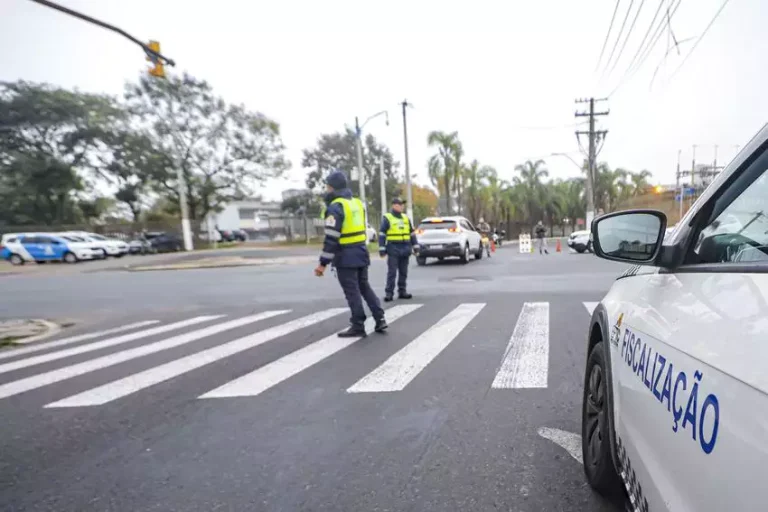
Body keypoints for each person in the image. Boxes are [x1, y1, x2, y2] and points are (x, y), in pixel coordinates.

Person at [314, 170, 387, 337]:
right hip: (361, 251)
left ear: (332, 187)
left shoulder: (336, 206)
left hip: (345, 256)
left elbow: (331, 238)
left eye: (327, 186)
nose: (326, 189)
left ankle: (358, 324)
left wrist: (323, 263)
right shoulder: (357, 203)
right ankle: (380, 318)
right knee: (364, 287)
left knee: (352, 292)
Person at [378, 197, 419, 301]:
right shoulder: (387, 218)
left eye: (402, 204)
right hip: (393, 248)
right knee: (392, 272)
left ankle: (402, 291)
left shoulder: (406, 218)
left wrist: (415, 247)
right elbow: (382, 234)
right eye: (400, 204)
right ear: (394, 205)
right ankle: (389, 293)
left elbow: (412, 233)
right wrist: (382, 249)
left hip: (405, 247)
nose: (402, 206)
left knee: (403, 272)